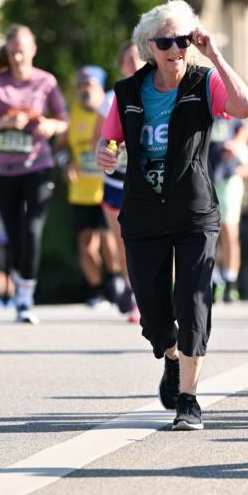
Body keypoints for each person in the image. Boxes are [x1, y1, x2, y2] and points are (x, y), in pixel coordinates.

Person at [96, 0, 248, 430]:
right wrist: (106, 154)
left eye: (183, 40)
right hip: (144, 213)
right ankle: (169, 354)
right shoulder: (128, 92)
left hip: (194, 212)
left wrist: (215, 53)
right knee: (153, 313)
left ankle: (189, 398)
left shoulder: (204, 83)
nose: (176, 49)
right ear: (150, 47)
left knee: (194, 300)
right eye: (166, 41)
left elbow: (244, 107)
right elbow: (109, 141)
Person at [0, 25, 68, 323]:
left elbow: (64, 120)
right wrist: (5, 123)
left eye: (23, 50)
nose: (18, 57)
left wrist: (51, 126)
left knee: (34, 226)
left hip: (39, 166)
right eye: (12, 52)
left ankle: (25, 297)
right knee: (14, 232)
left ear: (33, 50)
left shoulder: (46, 82)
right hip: (3, 171)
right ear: (7, 54)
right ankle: (19, 282)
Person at [64, 65, 122, 307]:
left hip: (106, 187)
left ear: (100, 86)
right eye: (81, 85)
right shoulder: (73, 113)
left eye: (89, 85)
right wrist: (65, 162)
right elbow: (59, 146)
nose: (84, 90)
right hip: (81, 191)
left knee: (110, 241)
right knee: (86, 245)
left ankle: (118, 282)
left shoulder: (110, 110)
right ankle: (97, 291)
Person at [94, 42, 143, 322]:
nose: (135, 63)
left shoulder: (155, 93)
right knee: (124, 241)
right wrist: (111, 149)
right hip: (116, 181)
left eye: (139, 58)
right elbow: (96, 143)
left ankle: (159, 291)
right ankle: (133, 291)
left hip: (147, 178)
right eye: (129, 59)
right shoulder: (111, 98)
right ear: (122, 65)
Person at [209, 118, 248, 303]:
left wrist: (234, 153)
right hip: (206, 181)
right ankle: (213, 281)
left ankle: (230, 281)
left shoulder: (234, 125)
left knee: (229, 232)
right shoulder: (203, 112)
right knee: (209, 235)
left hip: (228, 185)